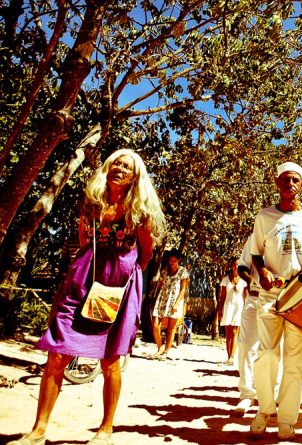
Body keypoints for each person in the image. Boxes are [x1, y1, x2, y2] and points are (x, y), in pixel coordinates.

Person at [10, 149, 165, 445]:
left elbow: (145, 253)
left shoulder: (140, 212)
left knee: (110, 360)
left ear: (135, 176)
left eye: (126, 166)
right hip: (83, 281)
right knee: (57, 352)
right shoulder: (92, 204)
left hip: (118, 286)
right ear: (107, 168)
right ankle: (38, 430)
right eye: (116, 163)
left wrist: (123, 275)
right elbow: (84, 240)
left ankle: (105, 429)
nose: (120, 168)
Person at [248, 161, 302, 440]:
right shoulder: (264, 216)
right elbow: (256, 253)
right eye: (285, 179)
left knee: (295, 361)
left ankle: (287, 418)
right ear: (276, 182)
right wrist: (262, 273)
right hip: (271, 294)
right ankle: (264, 409)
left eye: (295, 180)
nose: (290, 184)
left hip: (300, 296)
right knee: (267, 354)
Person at [232, 235, 261, 415]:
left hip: (281, 302)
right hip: (254, 298)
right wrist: (249, 279)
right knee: (245, 344)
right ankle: (246, 395)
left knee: (274, 350)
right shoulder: (254, 236)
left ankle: (269, 395)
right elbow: (243, 266)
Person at [151, 248, 189, 359]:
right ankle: (160, 348)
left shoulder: (183, 272)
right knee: (155, 325)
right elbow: (160, 285)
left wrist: (177, 304)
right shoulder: (164, 271)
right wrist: (155, 299)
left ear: (178, 261)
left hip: (174, 300)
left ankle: (166, 352)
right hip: (162, 299)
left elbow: (183, 289)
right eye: (171, 260)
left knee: (171, 328)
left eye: (174, 260)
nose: (172, 262)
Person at [217, 256, 247, 365]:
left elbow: (246, 297)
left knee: (235, 331)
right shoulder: (226, 279)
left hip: (239, 307)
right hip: (228, 306)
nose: (236, 267)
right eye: (234, 265)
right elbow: (222, 296)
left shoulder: (244, 281)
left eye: (238, 265)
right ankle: (228, 355)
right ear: (231, 266)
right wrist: (219, 311)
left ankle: (232, 357)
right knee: (228, 332)